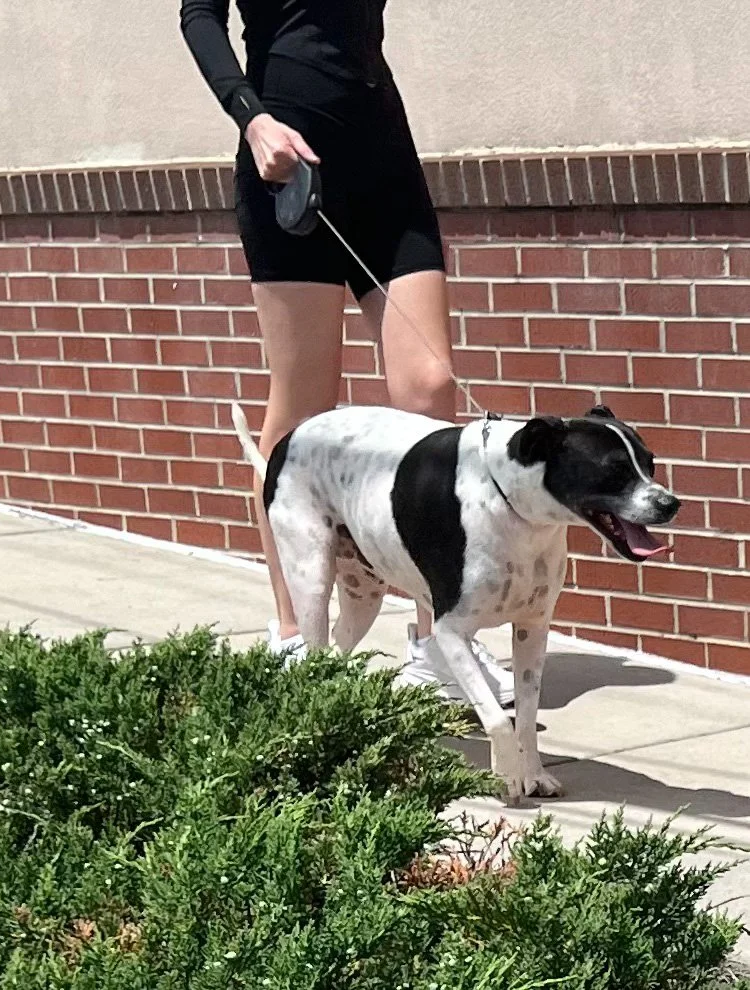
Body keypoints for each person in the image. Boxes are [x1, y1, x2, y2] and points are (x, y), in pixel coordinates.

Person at [180, 0, 514, 706]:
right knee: (303, 409)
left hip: (382, 156)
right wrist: (251, 118)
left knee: (428, 389)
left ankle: (438, 642)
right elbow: (198, 14)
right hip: (288, 159)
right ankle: (293, 634)